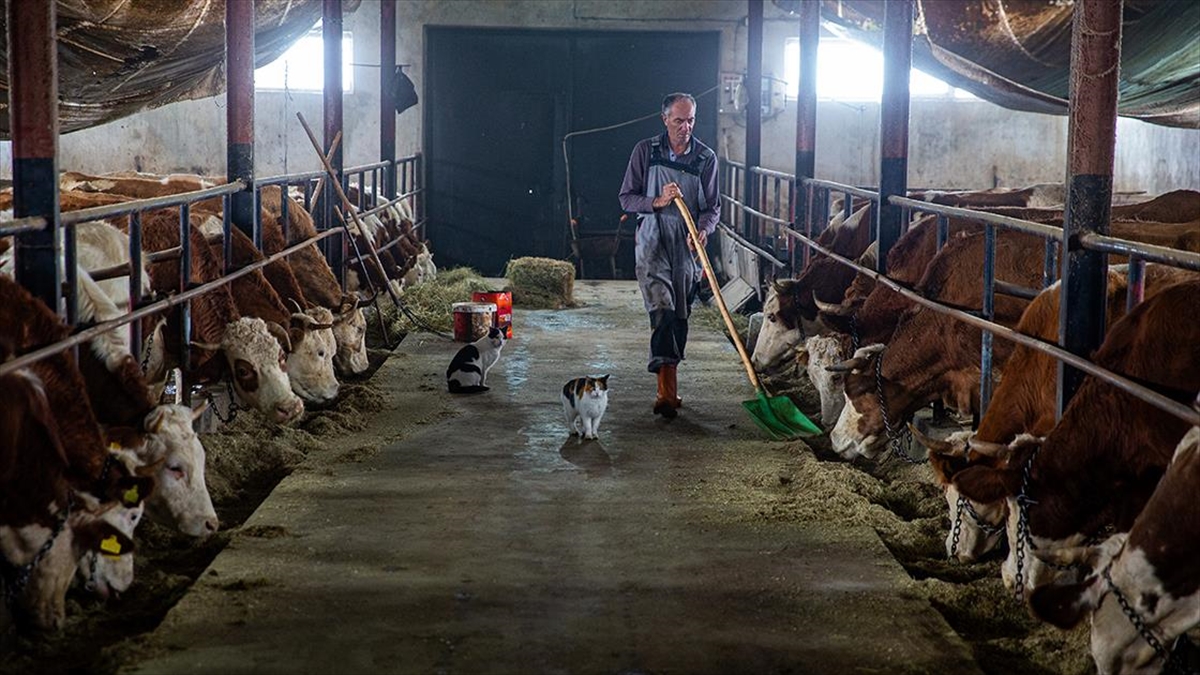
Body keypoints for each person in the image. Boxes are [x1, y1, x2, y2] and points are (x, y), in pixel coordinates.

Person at [618, 92, 720, 419]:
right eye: (678, 120)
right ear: (664, 120)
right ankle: (665, 392)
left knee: (680, 314)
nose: (685, 127)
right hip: (652, 237)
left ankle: (670, 386)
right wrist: (656, 201)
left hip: (686, 245)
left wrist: (702, 231)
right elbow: (626, 199)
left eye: (690, 120)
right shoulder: (645, 152)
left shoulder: (705, 159)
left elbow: (712, 209)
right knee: (661, 306)